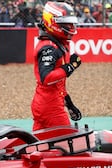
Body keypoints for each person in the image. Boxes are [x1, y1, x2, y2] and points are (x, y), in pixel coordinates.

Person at [31, 1, 82, 131]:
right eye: (65, 23)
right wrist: (69, 67)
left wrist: (69, 104)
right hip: (51, 108)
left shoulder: (56, 43)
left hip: (45, 104)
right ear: (52, 22)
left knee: (37, 148)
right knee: (68, 146)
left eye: (71, 23)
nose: (70, 27)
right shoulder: (49, 47)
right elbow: (47, 78)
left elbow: (57, 84)